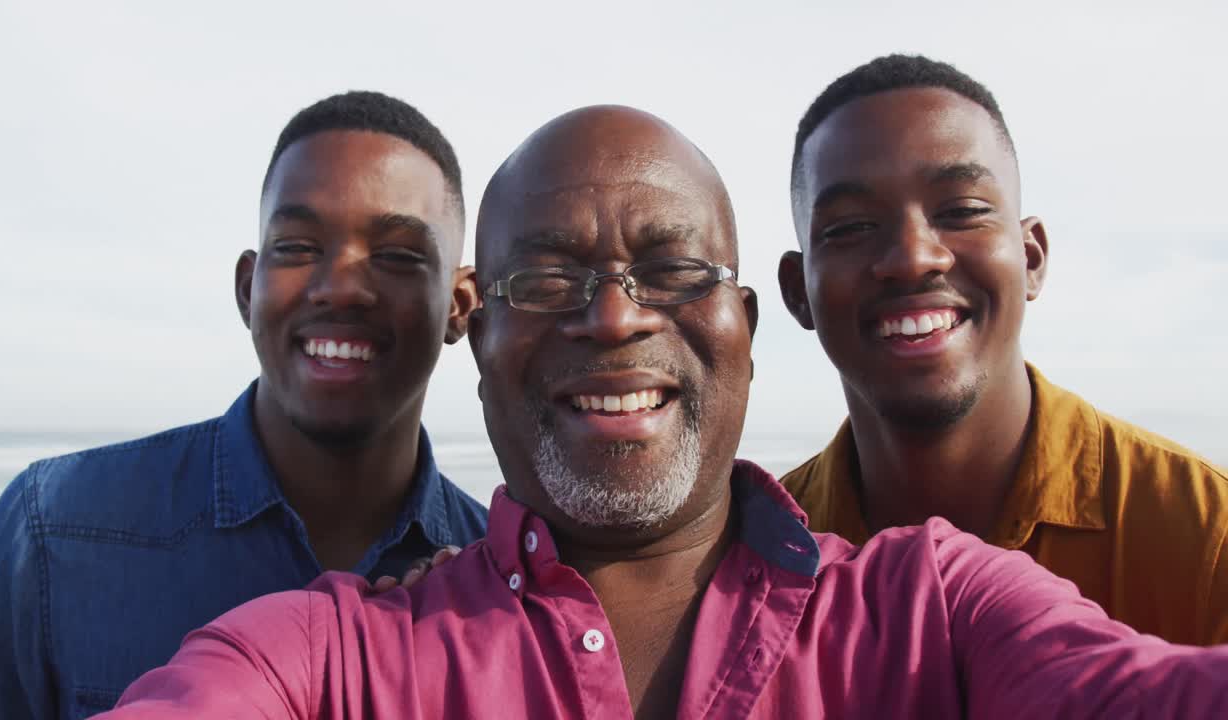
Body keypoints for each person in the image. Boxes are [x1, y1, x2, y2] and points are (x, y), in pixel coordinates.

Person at [99, 105, 1228, 720]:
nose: (610, 318)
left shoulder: (934, 605)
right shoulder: (331, 653)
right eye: (543, 280)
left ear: (742, 322)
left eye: (670, 270)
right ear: (475, 334)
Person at [0, 91, 487, 719]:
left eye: (397, 255)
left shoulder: (497, 584)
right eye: (297, 247)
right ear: (246, 289)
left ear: (459, 306)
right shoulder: (52, 532)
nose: (340, 285)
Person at [777, 54, 1228, 645]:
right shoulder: (764, 558)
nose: (914, 257)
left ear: (1032, 257)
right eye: (851, 227)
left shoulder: (1205, 535)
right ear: (797, 293)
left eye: (961, 211)